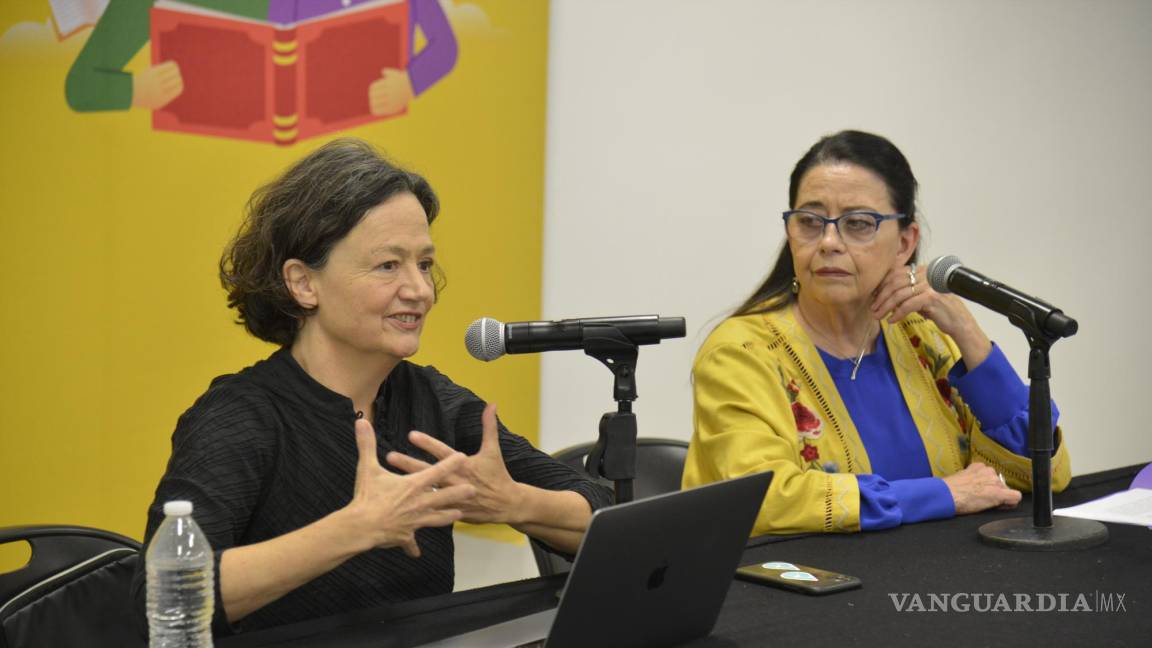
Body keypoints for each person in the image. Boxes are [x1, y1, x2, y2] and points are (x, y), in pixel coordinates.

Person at [130, 138, 612, 635]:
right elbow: (162, 594)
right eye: (388, 265)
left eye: (424, 264)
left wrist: (512, 503)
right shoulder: (239, 416)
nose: (421, 290)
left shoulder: (432, 402)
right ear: (303, 283)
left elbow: (600, 510)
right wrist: (354, 529)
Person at [682, 130, 1070, 535]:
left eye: (858, 224)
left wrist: (967, 331)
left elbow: (1044, 473)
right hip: (796, 589)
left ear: (905, 242)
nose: (829, 242)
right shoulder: (741, 352)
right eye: (810, 222)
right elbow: (762, 498)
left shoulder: (923, 336)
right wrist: (942, 495)